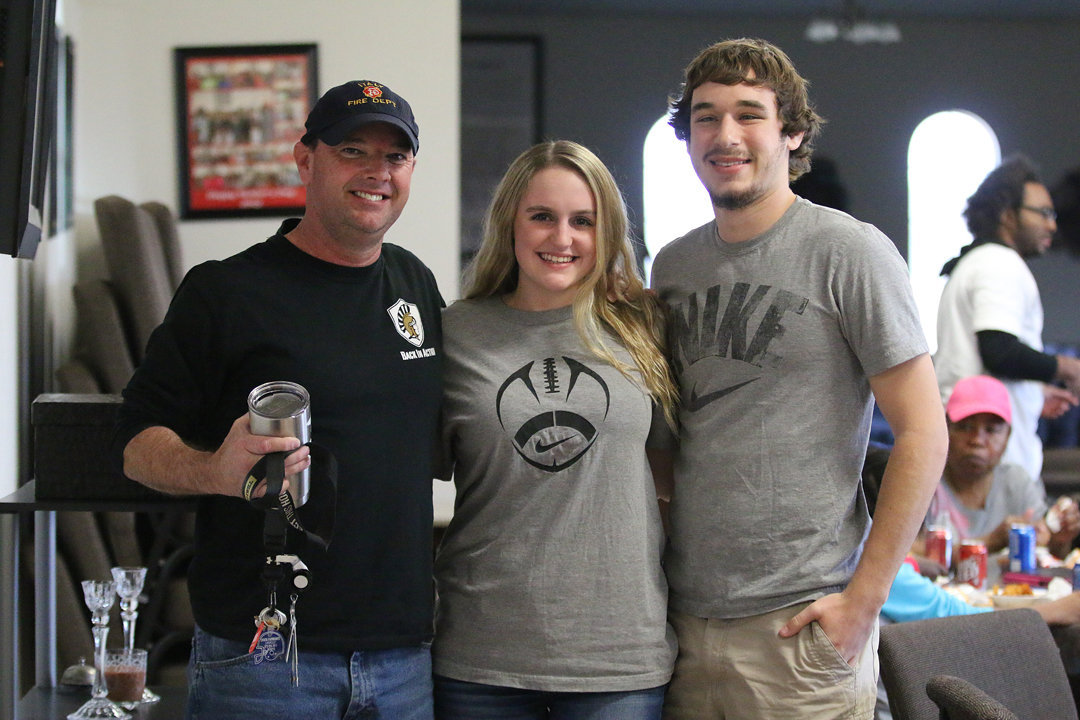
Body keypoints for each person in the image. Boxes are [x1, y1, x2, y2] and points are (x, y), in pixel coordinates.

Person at [113, 80, 443, 719]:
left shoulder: (414, 281)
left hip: (404, 656)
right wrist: (215, 469)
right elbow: (134, 443)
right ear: (305, 158)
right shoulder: (225, 292)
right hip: (265, 658)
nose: (377, 173)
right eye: (353, 150)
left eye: (395, 157)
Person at [650, 38, 948, 719]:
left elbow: (925, 433)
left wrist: (866, 600)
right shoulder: (672, 268)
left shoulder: (849, 251)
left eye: (749, 114)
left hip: (801, 628)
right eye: (706, 116)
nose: (725, 135)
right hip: (685, 624)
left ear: (792, 131)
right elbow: (670, 441)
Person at [432, 140, 678, 719]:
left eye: (583, 221)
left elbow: (669, 483)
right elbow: (403, 470)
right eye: (542, 216)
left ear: (606, 232)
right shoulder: (456, 333)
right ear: (509, 224)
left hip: (617, 658)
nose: (561, 238)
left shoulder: (644, 326)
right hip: (482, 653)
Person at [935, 155, 1080, 487]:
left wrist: (1032, 392)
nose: (1052, 225)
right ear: (1007, 214)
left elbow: (979, 361)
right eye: (1043, 213)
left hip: (975, 453)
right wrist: (1068, 368)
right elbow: (998, 350)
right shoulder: (1000, 264)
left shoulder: (975, 262)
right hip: (994, 462)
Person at [921, 374, 1080, 563]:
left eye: (991, 430)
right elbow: (902, 556)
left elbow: (1052, 556)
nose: (977, 440)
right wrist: (991, 541)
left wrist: (1061, 538)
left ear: (1007, 436)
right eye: (966, 427)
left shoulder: (1017, 481)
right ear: (946, 428)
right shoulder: (925, 482)